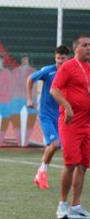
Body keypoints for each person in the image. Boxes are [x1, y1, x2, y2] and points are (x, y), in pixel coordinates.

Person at [51, 35, 90, 219]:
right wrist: (67, 107)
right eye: (85, 45)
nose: (88, 48)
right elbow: (54, 89)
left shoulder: (88, 69)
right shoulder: (67, 66)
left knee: (83, 164)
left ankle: (76, 205)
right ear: (76, 48)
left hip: (87, 124)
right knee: (71, 163)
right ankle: (62, 204)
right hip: (70, 123)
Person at [26, 45, 69, 189]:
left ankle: (41, 173)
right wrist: (29, 99)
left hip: (61, 116)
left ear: (67, 58)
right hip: (46, 115)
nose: (60, 61)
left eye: (62, 59)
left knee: (57, 146)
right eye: (58, 58)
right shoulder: (49, 71)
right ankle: (42, 172)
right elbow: (30, 79)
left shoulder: (70, 73)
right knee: (55, 144)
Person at [10, 54, 36, 146]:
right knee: (16, 119)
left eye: (26, 59)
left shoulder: (33, 71)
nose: (25, 60)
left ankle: (26, 140)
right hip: (17, 98)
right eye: (23, 59)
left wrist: (33, 98)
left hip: (28, 98)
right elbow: (12, 85)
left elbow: (35, 86)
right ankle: (19, 140)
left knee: (30, 119)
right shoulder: (15, 71)